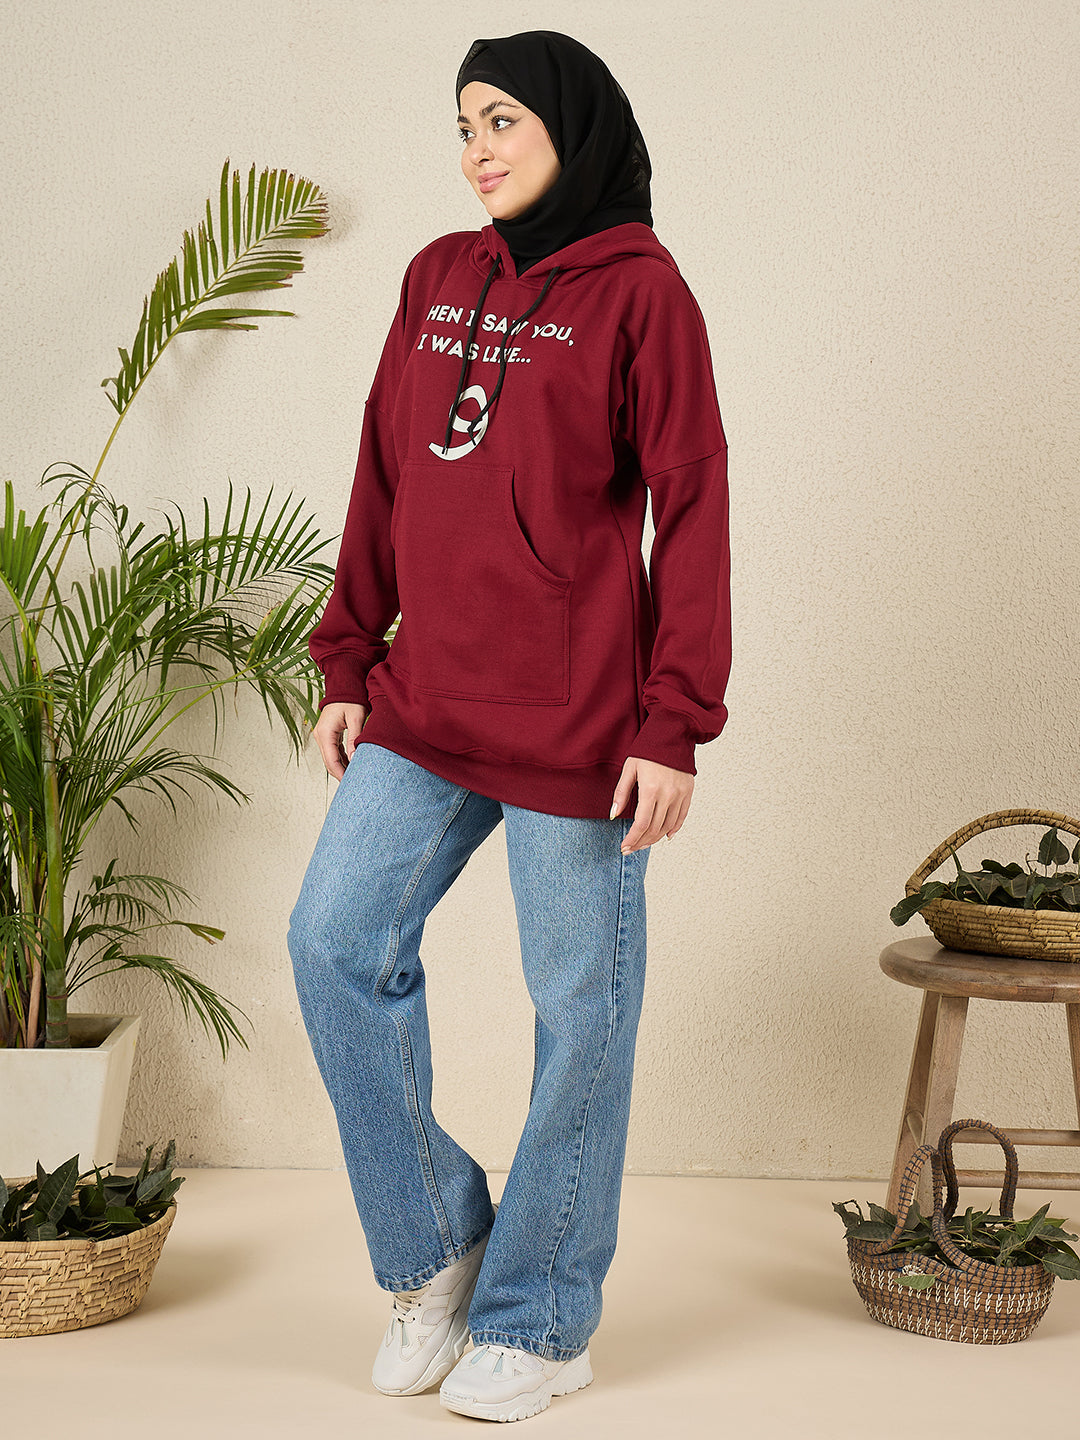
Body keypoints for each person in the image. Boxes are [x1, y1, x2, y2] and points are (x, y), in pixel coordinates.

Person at [287, 28, 730, 1425]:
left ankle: (541, 1319)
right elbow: (382, 466)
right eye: (466, 123)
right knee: (333, 944)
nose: (477, 149)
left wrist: (675, 721)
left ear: (572, 132)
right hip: (424, 702)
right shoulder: (438, 276)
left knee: (580, 1012)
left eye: (505, 123)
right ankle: (438, 1247)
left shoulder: (644, 294)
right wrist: (348, 653)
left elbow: (693, 505)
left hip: (582, 727)